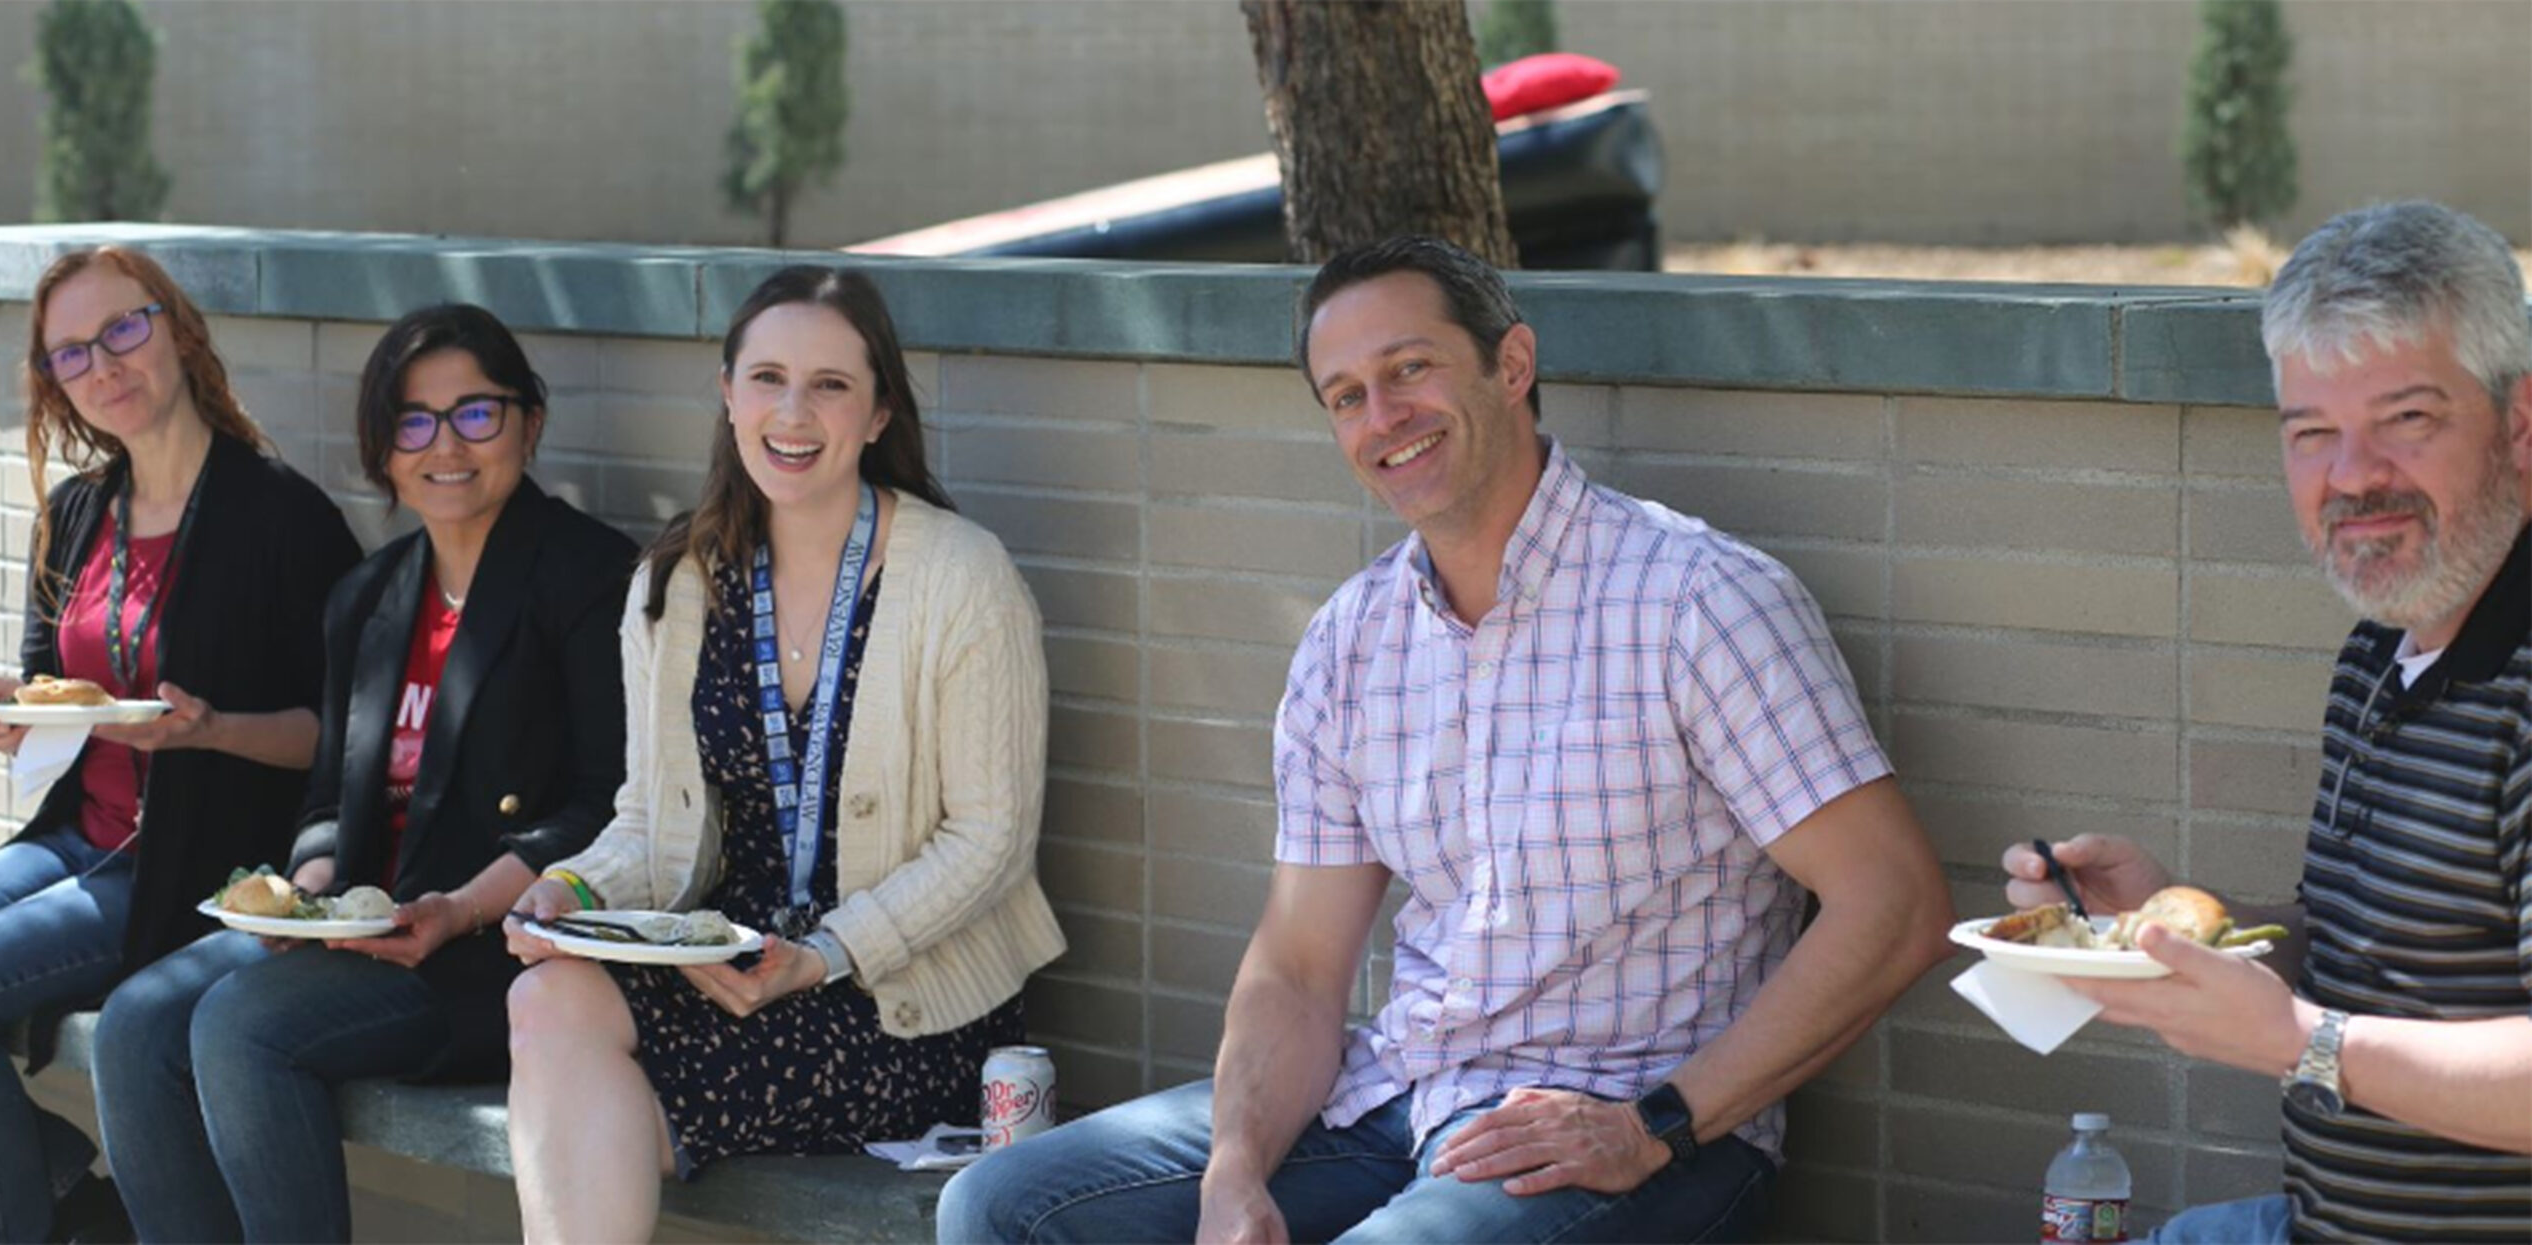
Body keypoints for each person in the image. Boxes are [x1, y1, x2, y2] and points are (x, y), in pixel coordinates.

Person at [941, 236, 1954, 1245]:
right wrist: (1234, 1177)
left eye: (1409, 369)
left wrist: (1657, 1125)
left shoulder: (1698, 598)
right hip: (1402, 1095)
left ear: (1510, 365)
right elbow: (1298, 964)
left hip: (1630, 1140)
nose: (1383, 418)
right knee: (1001, 1207)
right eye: (1346, 396)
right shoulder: (1351, 638)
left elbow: (1894, 903)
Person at [2001, 201, 2531, 1242]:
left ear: (2520, 426)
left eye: (2406, 420)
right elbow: (2375, 965)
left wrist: (2302, 1042)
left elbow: (2318, 1030)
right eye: (2312, 433)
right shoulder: (2384, 646)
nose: (2351, 475)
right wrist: (2177, 925)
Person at [502, 265, 1064, 1243]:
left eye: (831, 385)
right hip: (738, 960)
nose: (791, 411)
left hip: (901, 997)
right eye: (765, 378)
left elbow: (992, 840)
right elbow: (646, 820)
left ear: (880, 411)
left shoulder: (961, 577)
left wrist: (825, 956)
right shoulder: (675, 584)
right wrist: (575, 894)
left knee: (593, 1114)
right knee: (546, 994)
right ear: (727, 395)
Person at [84, 304, 637, 1242]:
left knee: (238, 1029)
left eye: (476, 413)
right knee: (134, 1023)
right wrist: (302, 894)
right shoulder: (367, 596)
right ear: (382, 450)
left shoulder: (590, 576)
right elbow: (328, 800)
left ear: (529, 423)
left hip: (489, 951)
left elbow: (612, 805)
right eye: (413, 421)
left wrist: (459, 907)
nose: (445, 446)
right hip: (362, 930)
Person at [0, 247, 360, 1243]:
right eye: (70, 353)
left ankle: (31, 1214)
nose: (102, 364)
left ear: (178, 329)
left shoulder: (284, 519)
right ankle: (52, 1191)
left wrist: (216, 731)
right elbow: (55, 686)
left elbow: (346, 743)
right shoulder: (75, 513)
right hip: (77, 839)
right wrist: (16, 706)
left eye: (122, 329)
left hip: (188, 867)